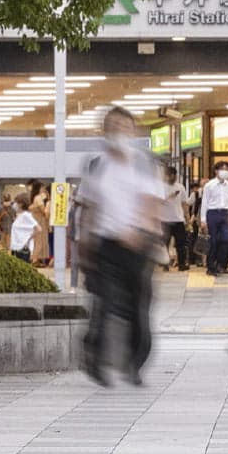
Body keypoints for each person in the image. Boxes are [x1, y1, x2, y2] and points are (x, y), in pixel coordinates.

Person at [74, 107, 166, 386]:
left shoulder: (143, 164)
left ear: (133, 130)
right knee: (104, 303)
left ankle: (134, 363)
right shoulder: (97, 164)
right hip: (105, 245)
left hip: (138, 245)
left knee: (138, 307)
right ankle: (96, 360)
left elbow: (153, 205)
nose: (119, 131)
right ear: (105, 131)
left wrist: (141, 232)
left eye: (124, 126)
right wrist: (85, 242)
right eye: (113, 126)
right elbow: (89, 206)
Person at [200, 163, 228, 277]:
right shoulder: (209, 185)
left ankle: (220, 264)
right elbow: (204, 203)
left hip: (225, 213)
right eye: (223, 169)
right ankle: (211, 267)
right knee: (213, 241)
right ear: (216, 171)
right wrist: (203, 220)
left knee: (227, 239)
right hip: (212, 213)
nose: (226, 171)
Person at [159, 166, 190, 271]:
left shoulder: (180, 187)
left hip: (178, 219)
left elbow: (184, 203)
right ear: (166, 176)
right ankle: (165, 264)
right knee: (164, 244)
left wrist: (187, 218)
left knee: (181, 244)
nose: (173, 178)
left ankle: (182, 264)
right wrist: (169, 196)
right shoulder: (160, 187)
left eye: (174, 176)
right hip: (164, 220)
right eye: (170, 176)